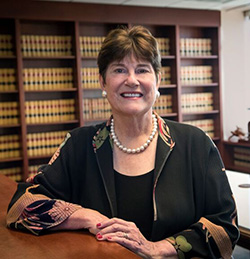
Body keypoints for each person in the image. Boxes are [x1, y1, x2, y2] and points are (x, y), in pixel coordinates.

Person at [6, 26, 239, 258]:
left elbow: (224, 227)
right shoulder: (79, 145)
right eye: (119, 70)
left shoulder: (196, 144)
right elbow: (21, 206)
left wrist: (157, 249)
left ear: (157, 80)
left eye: (142, 70)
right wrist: (88, 217)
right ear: (102, 82)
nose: (131, 80)